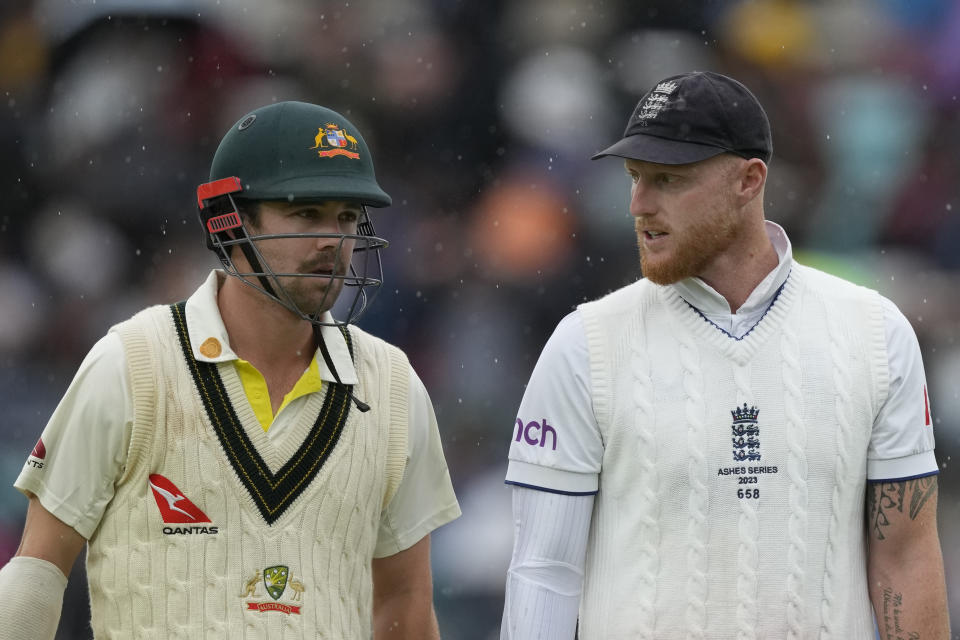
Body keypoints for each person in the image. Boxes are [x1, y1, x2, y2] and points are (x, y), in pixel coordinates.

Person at [500, 71, 949, 639]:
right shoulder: (584, 343)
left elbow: (905, 559)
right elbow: (543, 572)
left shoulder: (876, 332)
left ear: (749, 180)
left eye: (667, 179)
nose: (639, 204)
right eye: (635, 178)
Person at [0, 101, 460, 638]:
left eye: (346, 218)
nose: (332, 242)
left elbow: (404, 603)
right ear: (232, 222)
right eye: (306, 214)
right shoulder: (131, 363)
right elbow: (37, 572)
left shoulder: (395, 388)